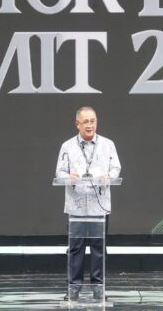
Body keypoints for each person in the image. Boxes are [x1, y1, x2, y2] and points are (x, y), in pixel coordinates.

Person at [55, 106, 121, 301]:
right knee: (75, 249)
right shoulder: (67, 146)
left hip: (99, 207)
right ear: (77, 124)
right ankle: (73, 288)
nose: (90, 125)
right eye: (86, 122)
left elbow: (116, 168)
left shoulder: (108, 144)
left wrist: (108, 176)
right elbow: (59, 172)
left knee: (99, 249)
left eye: (93, 121)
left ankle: (98, 288)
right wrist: (69, 177)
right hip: (75, 208)